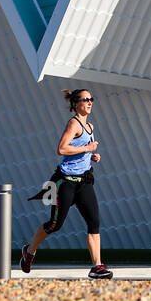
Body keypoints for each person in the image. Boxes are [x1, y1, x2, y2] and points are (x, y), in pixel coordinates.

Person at [20, 88, 113, 279]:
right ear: (75, 104)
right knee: (55, 225)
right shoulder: (74, 124)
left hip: (84, 182)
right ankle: (29, 252)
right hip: (65, 182)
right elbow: (61, 148)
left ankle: (97, 266)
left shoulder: (90, 127)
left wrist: (92, 155)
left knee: (94, 223)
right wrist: (87, 148)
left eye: (91, 99)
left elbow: (81, 151)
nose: (89, 102)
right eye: (85, 100)